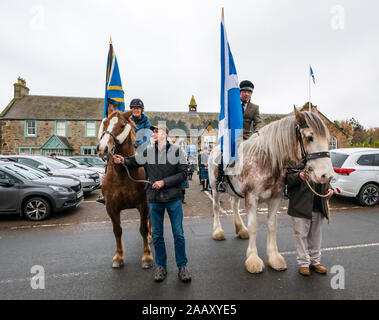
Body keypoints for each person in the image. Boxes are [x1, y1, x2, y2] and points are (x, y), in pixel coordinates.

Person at [112, 124, 191, 282]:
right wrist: (123, 160)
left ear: (165, 135)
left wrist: (164, 182)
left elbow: (183, 173)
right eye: (153, 132)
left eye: (157, 132)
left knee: (179, 234)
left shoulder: (176, 151)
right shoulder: (147, 152)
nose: (154, 134)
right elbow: (133, 162)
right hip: (154, 200)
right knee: (157, 236)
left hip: (173, 199)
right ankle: (161, 267)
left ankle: (182, 267)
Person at [96, 98, 152, 204]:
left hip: (140, 147)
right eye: (134, 108)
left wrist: (137, 144)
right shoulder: (124, 119)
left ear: (141, 110)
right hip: (124, 146)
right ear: (131, 109)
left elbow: (147, 135)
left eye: (138, 108)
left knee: (146, 163)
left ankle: (148, 188)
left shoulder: (146, 122)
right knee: (109, 163)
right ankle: (105, 191)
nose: (136, 110)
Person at [285, 163, 334, 276]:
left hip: (318, 206)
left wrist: (330, 189)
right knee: (301, 237)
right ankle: (304, 264)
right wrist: (299, 176)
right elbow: (287, 180)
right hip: (300, 207)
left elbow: (326, 180)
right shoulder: (296, 160)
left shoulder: (320, 160)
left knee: (316, 237)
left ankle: (315, 262)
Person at [216, 79, 263, 192]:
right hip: (233, 136)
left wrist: (258, 132)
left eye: (249, 92)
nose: (246, 94)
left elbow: (259, 122)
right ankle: (220, 180)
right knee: (224, 155)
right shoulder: (232, 105)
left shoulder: (255, 108)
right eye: (244, 91)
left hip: (248, 137)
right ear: (240, 92)